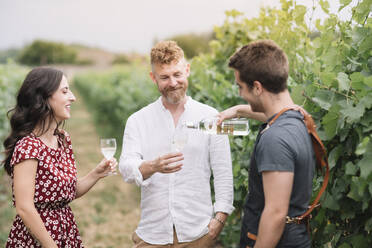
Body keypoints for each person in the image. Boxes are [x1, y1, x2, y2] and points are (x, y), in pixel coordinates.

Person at [119, 40, 234, 247]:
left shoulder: (211, 117)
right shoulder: (138, 120)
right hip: (152, 234)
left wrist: (220, 219)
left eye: (177, 74)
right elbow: (126, 168)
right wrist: (152, 167)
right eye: (164, 77)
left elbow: (223, 171)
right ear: (153, 78)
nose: (172, 83)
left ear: (187, 70)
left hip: (199, 233)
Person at [2, 67, 117, 248]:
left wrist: (96, 174)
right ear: (44, 97)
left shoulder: (62, 139)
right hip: (37, 239)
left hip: (66, 231)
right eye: (65, 91)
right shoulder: (28, 146)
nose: (73, 97)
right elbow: (24, 208)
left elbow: (65, 193)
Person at [218, 40, 315, 248]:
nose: (240, 94)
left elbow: (276, 214)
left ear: (257, 87)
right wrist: (237, 110)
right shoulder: (297, 119)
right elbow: (270, 114)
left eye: (240, 87)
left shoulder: (275, 139)